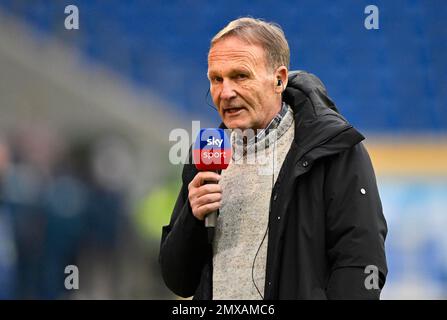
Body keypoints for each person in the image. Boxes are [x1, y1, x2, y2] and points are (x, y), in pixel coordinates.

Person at [159, 17, 387, 300]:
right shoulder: (206, 156)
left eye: (240, 76)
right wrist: (191, 220)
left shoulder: (332, 149)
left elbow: (361, 262)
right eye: (216, 79)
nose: (225, 92)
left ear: (278, 79)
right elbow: (178, 280)